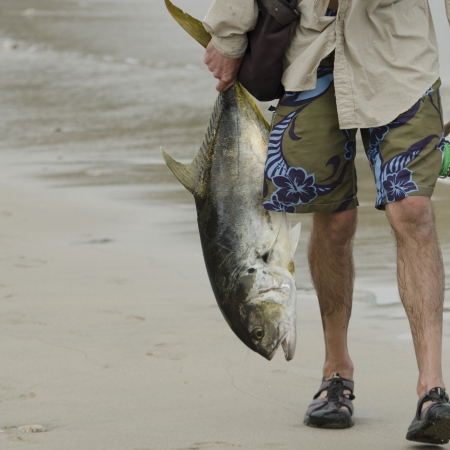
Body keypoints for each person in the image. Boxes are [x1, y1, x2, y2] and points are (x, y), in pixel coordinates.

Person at [202, 0, 450, 443]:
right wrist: (228, 35)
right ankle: (336, 372)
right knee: (334, 220)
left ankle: (433, 389)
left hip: (400, 58)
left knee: (412, 211)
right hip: (312, 56)